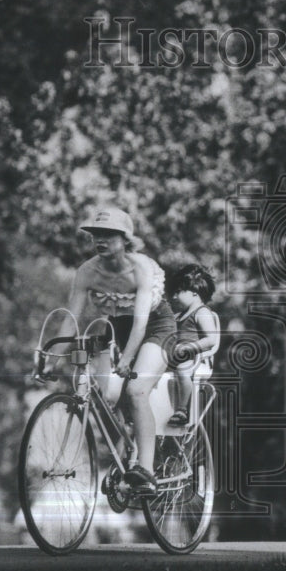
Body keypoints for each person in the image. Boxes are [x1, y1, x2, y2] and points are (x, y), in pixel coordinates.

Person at [61, 206, 176, 495]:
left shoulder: (140, 268)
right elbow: (70, 319)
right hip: (118, 327)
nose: (101, 241)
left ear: (125, 239)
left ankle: (147, 471)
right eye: (96, 235)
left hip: (155, 326)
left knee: (136, 390)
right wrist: (52, 356)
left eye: (109, 235)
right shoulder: (87, 271)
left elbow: (141, 322)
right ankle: (126, 454)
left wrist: (126, 359)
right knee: (104, 396)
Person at [165, 264, 219, 426]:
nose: (174, 297)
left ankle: (182, 409)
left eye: (178, 292)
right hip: (175, 357)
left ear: (195, 293)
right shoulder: (179, 315)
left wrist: (189, 348)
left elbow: (211, 340)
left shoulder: (202, 312)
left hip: (194, 358)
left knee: (182, 369)